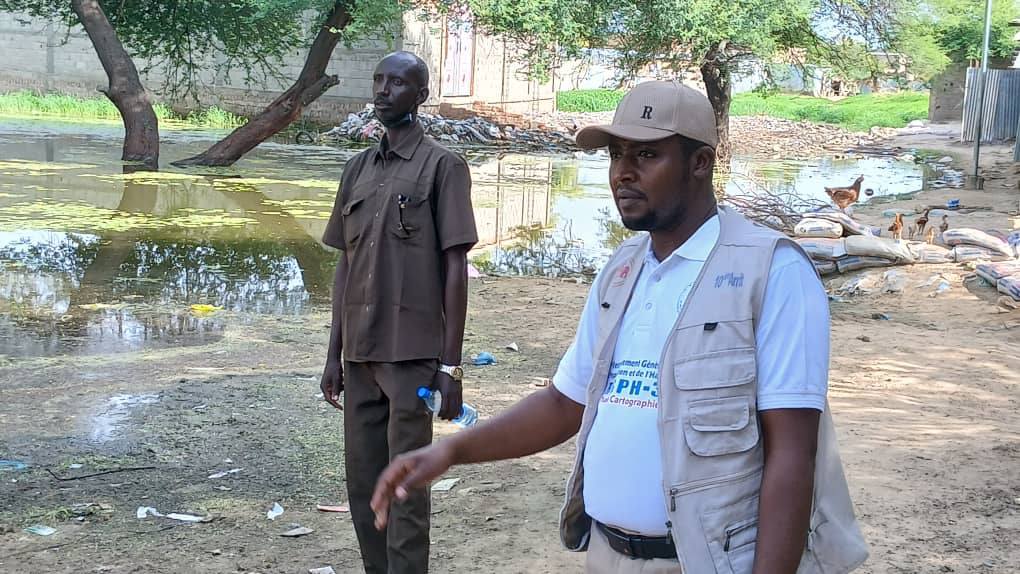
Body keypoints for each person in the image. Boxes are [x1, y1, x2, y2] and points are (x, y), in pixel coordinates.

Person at [369, 81, 869, 573]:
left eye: (646, 156)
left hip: (708, 561)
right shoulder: (624, 267)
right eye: (615, 155)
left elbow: (793, 452)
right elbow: (566, 403)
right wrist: (452, 450)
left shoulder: (772, 271)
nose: (622, 174)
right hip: (607, 555)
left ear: (701, 164)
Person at [320, 51, 478, 574]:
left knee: (405, 491)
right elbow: (346, 264)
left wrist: (450, 368)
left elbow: (455, 269)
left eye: (399, 83)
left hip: (411, 358)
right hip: (359, 358)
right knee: (364, 486)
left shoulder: (443, 168)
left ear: (421, 95)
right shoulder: (356, 169)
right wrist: (333, 355)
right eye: (380, 81)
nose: (384, 90)